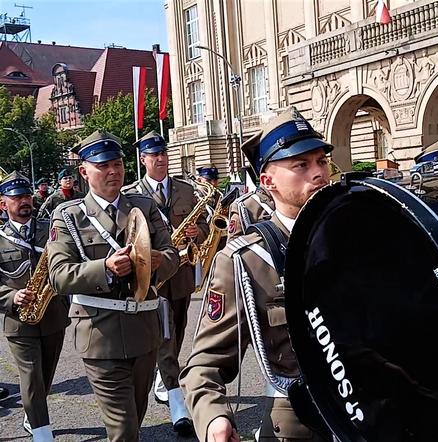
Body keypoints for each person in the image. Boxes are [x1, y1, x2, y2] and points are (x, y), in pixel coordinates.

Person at [180, 107, 332, 442]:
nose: (318, 173)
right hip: (300, 423)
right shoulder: (248, 260)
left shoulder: (358, 235)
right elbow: (203, 365)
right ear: (268, 182)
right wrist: (214, 419)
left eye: (321, 161)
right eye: (301, 165)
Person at [47, 130, 179, 442]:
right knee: (123, 430)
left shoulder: (143, 206)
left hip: (144, 331)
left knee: (137, 414)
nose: (113, 171)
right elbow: (59, 275)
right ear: (84, 171)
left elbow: (174, 256)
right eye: (103, 165)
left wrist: (160, 262)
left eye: (117, 164)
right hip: (99, 334)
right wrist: (103, 268)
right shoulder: (69, 216)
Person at [122, 130, 208, 436]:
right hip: (155, 277)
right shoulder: (132, 195)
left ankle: (164, 372)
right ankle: (175, 397)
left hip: (182, 273)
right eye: (153, 155)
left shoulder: (186, 190)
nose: (160, 159)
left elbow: (205, 226)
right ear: (143, 159)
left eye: (163, 154)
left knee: (179, 329)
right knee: (164, 333)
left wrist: (199, 231)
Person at [0, 171, 70, 442]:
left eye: (27, 196)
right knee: (30, 377)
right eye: (17, 198)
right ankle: (43, 434)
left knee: (46, 375)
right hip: (17, 319)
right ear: (3, 204)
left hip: (53, 314)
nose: (25, 201)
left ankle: (33, 414)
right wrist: (10, 297)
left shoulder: (51, 229)